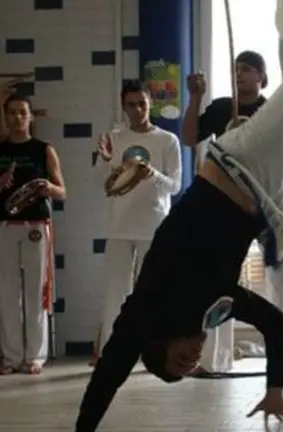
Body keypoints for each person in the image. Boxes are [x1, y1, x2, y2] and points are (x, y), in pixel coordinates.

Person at [75, 2, 283, 430]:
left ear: (161, 343)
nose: (192, 358)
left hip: (243, 164)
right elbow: (275, 323)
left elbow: (109, 374)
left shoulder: (148, 309)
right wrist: (274, 389)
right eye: (190, 365)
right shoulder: (214, 310)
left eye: (181, 359)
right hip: (267, 202)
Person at [182, 50, 281, 374]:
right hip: (225, 204)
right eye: (236, 69)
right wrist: (195, 97)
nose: (239, 74)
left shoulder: (273, 110)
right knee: (220, 279)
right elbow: (189, 137)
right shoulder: (223, 107)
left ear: (262, 76)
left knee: (280, 278)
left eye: (247, 69)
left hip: (265, 201)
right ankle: (215, 360)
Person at [92, 80, 182, 363]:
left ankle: (151, 352)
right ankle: (112, 353)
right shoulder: (114, 138)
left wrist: (152, 174)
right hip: (119, 226)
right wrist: (104, 160)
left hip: (153, 226)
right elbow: (103, 184)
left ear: (150, 103)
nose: (137, 110)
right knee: (115, 292)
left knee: (152, 292)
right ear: (123, 107)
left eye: (142, 103)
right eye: (131, 105)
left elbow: (175, 186)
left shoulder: (167, 140)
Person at [0, 94, 66, 375]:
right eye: (12, 112)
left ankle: (35, 356)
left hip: (36, 226)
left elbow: (63, 191)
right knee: (7, 293)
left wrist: (48, 188)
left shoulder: (44, 149)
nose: (17, 118)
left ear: (30, 117)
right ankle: (11, 357)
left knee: (37, 290)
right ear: (5, 116)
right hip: (4, 226)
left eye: (22, 112)